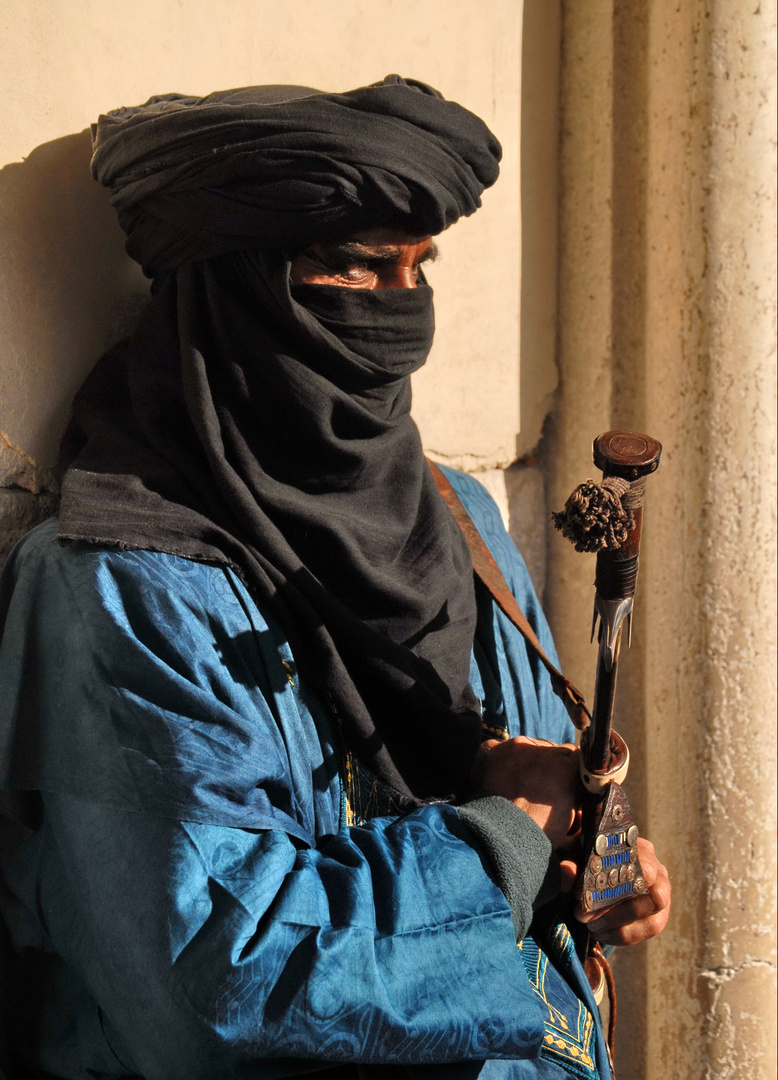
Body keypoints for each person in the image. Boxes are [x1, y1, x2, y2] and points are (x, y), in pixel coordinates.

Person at [0, 76, 670, 1080]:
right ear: (231, 290)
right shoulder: (127, 589)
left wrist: (586, 866)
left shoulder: (458, 522)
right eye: (359, 271)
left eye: (419, 270)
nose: (401, 315)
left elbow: (532, 872)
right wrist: (496, 848)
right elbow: (217, 983)